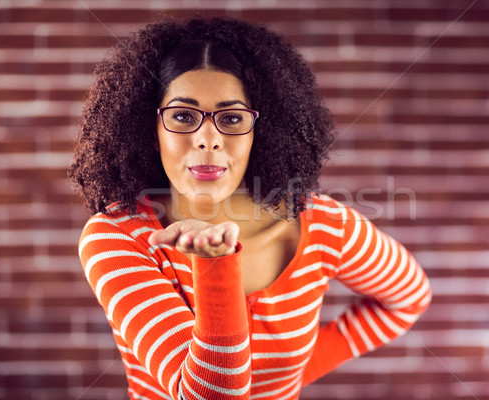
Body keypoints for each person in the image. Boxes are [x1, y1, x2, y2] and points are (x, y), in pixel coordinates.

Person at [69, 16, 431, 400]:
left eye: (231, 118)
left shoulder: (322, 223)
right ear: (150, 131)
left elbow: (408, 297)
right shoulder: (115, 237)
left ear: (262, 131)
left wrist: (289, 381)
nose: (207, 140)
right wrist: (216, 264)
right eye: (182, 116)